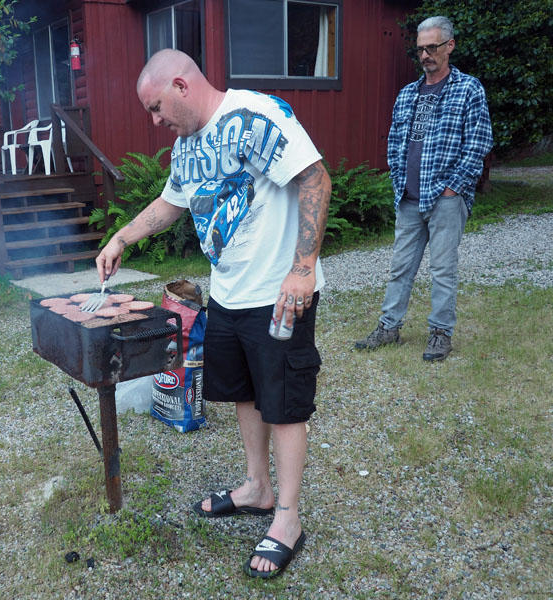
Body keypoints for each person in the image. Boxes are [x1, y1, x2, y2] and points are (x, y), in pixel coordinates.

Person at [96, 49, 331, 579]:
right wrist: (122, 237)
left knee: (285, 403)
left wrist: (302, 269)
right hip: (228, 292)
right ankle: (257, 487)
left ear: (181, 85)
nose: (155, 121)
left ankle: (288, 518)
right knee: (245, 393)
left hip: (278, 293)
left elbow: (314, 179)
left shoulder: (255, 116)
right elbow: (170, 203)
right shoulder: (187, 146)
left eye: (156, 107)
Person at [355, 15, 493, 361]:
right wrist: (398, 182)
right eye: (421, 49)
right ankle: (389, 327)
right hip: (409, 199)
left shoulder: (468, 89)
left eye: (433, 47)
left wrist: (454, 187)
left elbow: (479, 142)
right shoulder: (407, 94)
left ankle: (440, 334)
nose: (426, 55)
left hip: (446, 198)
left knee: (443, 269)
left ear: (450, 46)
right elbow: (395, 143)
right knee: (400, 267)